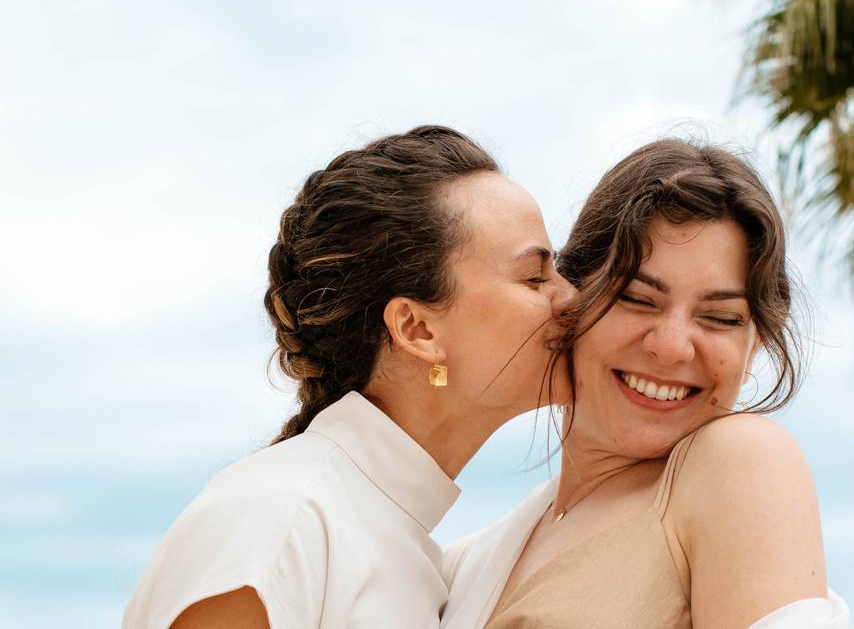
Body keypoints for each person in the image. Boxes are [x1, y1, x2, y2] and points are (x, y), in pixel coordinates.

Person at [123, 125, 575, 629]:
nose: (572, 298)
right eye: (536, 277)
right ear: (417, 328)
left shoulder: (405, 549)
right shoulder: (275, 527)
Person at [441, 139, 850, 628]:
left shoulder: (739, 461)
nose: (673, 346)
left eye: (719, 317)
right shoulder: (462, 567)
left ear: (756, 340)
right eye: (637, 299)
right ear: (573, 297)